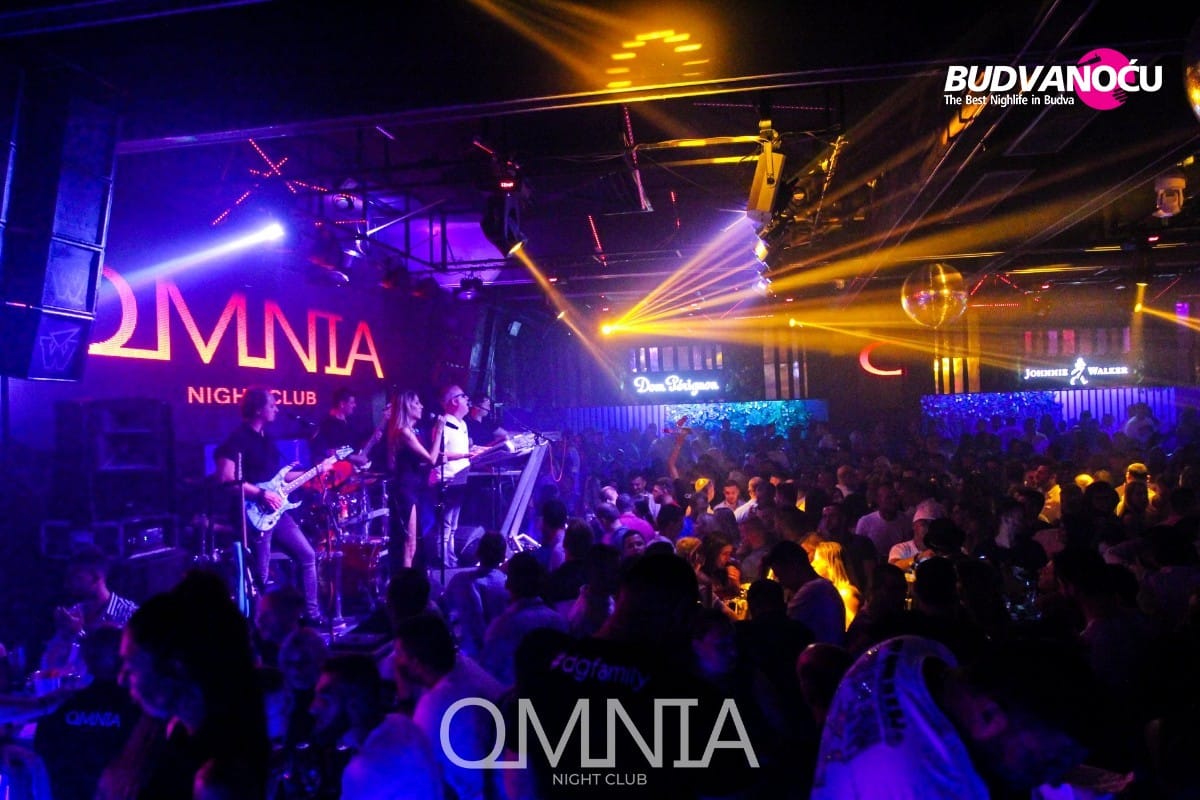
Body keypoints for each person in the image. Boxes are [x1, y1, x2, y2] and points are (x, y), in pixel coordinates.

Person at [812, 635, 1096, 799]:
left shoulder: (906, 649)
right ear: (987, 715)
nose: (1056, 779)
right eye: (1048, 762)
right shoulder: (933, 788)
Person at [98, 570, 269, 800]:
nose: (122, 678)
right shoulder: (181, 735)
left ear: (175, 667)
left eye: (131, 665)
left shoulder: (217, 776)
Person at [213, 386, 328, 623]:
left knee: (307, 555)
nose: (277, 409)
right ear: (258, 410)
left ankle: (311, 614)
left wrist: (315, 471)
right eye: (272, 405)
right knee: (260, 573)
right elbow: (226, 479)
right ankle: (258, 625)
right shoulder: (237, 439)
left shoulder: (267, 440)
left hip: (277, 512)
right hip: (252, 514)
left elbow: (280, 477)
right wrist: (261, 494)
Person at [308, 653, 443, 800]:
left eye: (325, 699)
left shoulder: (364, 772)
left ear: (354, 705)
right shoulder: (401, 723)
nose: (312, 708)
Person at [41, 545, 139, 674]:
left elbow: (118, 663)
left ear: (96, 578)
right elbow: (47, 665)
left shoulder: (128, 613)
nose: (68, 584)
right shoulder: (72, 614)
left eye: (75, 577)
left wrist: (79, 633)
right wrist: (64, 635)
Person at [426, 384, 486, 568]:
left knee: (453, 525)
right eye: (463, 396)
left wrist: (478, 451)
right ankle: (443, 562)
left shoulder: (463, 424)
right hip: (446, 480)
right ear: (453, 401)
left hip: (461, 478)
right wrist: (465, 454)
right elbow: (438, 454)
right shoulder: (443, 423)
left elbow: (463, 449)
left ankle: (451, 559)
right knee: (445, 525)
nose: (467, 400)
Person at [385, 389, 436, 573]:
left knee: (413, 541)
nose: (421, 406)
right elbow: (431, 459)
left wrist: (463, 455)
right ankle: (405, 584)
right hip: (406, 491)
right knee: (410, 543)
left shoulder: (408, 432)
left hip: (413, 489)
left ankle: (410, 579)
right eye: (417, 403)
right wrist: (439, 432)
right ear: (407, 407)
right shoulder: (404, 432)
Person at [310, 387, 383, 470]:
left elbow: (354, 446)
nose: (354, 405)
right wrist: (355, 458)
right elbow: (332, 452)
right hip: (337, 471)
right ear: (342, 404)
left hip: (351, 470)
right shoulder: (328, 425)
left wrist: (374, 439)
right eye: (352, 403)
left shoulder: (349, 422)